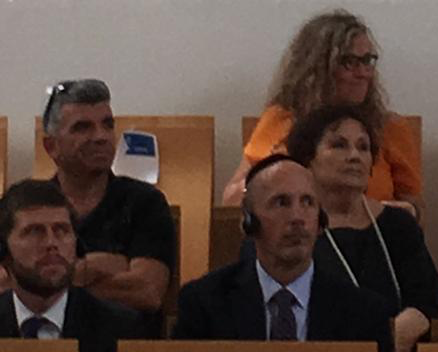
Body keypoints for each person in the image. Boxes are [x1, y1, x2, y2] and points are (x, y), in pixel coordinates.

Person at [174, 153, 393, 348]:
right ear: (249, 222)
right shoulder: (204, 304)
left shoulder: (364, 312)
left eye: (307, 202)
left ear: (320, 221)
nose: (297, 217)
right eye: (281, 203)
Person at [222, 9, 422, 216]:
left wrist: (396, 213)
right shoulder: (281, 120)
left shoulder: (389, 128)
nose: (363, 73)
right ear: (317, 67)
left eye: (367, 61)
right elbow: (231, 200)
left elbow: (416, 209)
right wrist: (271, 179)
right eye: (350, 62)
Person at [286, 105, 438, 352]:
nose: (354, 156)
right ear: (307, 159)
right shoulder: (289, 230)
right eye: (339, 145)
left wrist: (389, 338)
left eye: (363, 147)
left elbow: (425, 303)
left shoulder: (399, 225)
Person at [42, 78, 175, 325]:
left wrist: (49, 281)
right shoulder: (28, 207)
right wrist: (92, 269)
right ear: (51, 147)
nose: (100, 136)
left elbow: (147, 292)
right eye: (83, 128)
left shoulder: (146, 203)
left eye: (107, 125)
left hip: (123, 340)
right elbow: (7, 288)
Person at [0, 179, 144, 352]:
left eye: (62, 230)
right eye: (34, 231)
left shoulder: (123, 328)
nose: (51, 243)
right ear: (4, 248)